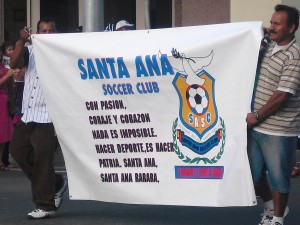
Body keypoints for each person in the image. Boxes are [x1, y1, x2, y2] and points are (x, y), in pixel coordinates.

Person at [246, 4, 300, 225]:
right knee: (254, 174)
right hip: (257, 126)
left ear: (292, 28)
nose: (272, 27)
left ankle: (277, 219)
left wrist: (257, 115)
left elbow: (282, 95)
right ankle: (271, 208)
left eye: (277, 24)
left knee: (279, 179)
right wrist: (258, 37)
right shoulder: (269, 47)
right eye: (271, 22)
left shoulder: (294, 56)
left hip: (279, 128)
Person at [9, 17, 67, 219]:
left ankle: (45, 204)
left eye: (51, 31)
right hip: (29, 114)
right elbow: (14, 64)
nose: (47, 34)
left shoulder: (61, 54)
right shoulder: (29, 51)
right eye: (44, 31)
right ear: (37, 34)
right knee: (18, 151)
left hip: (48, 116)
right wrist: (20, 41)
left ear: (56, 33)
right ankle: (56, 184)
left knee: (43, 160)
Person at [0, 65, 19, 171]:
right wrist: (8, 75)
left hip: (4, 102)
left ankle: (1, 160)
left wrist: (11, 77)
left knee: (3, 133)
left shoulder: (3, 67)